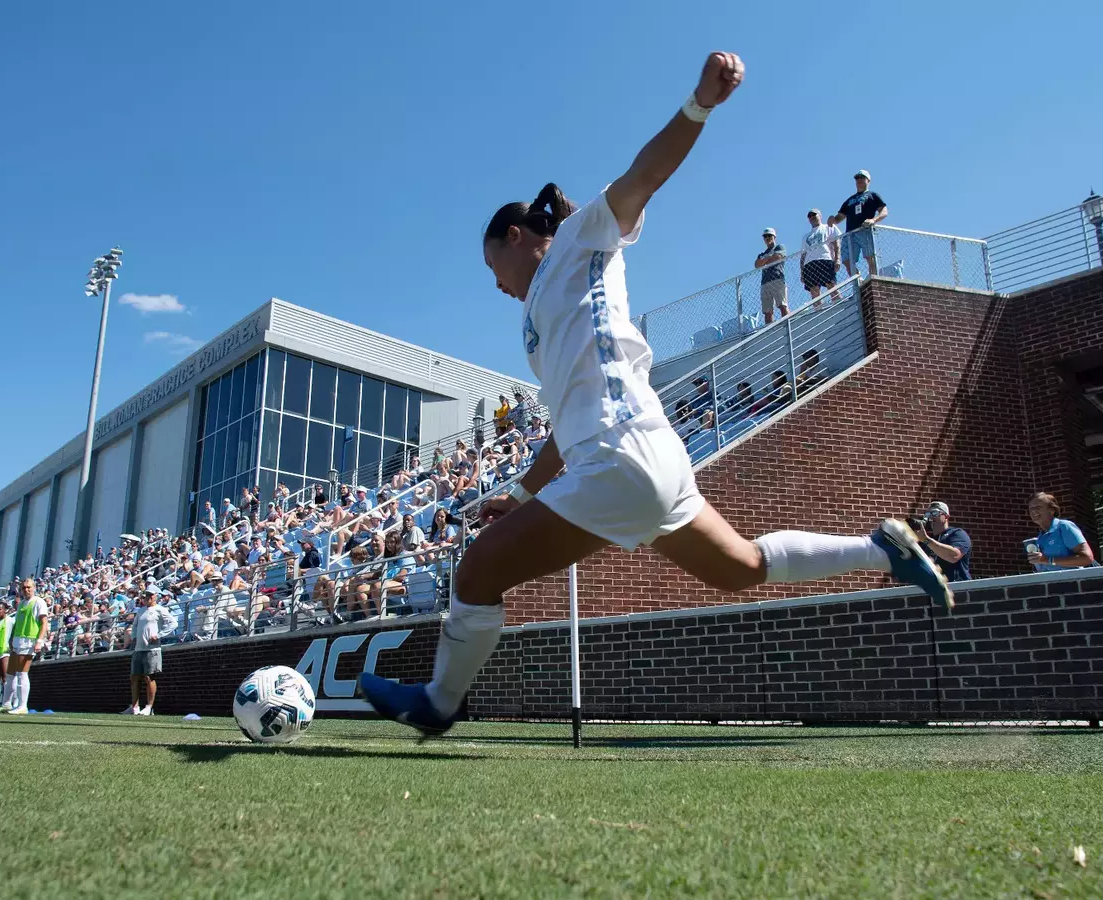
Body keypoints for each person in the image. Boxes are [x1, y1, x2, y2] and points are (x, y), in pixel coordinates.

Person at [359, 51, 951, 737]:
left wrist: (699, 105)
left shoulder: (581, 240)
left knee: (478, 571)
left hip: (622, 456)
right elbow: (564, 424)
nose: (496, 283)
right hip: (645, 455)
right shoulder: (540, 319)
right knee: (742, 566)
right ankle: (883, 550)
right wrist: (521, 494)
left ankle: (439, 704)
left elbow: (644, 176)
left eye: (495, 265)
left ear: (517, 238)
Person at [124, 591, 177, 717]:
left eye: (150, 596)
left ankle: (149, 707)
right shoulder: (141, 610)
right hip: (138, 649)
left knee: (149, 677)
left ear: (155, 597)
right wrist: (134, 637)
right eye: (145, 596)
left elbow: (173, 623)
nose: (147, 598)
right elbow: (135, 625)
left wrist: (158, 635)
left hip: (152, 649)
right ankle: (135, 707)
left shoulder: (160, 609)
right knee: (134, 677)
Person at [2, 578, 49, 715]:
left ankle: (22, 706)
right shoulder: (22, 603)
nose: (26, 590)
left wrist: (39, 641)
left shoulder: (39, 602)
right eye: (24, 588)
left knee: (22, 673)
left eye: (29, 587)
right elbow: (17, 623)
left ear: (34, 587)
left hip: (28, 641)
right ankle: (6, 704)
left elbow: (44, 623)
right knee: (10, 673)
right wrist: (11, 639)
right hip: (17, 640)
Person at [829, 170, 888, 278]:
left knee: (870, 257)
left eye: (862, 177)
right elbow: (839, 218)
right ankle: (858, 280)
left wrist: (873, 220)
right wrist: (833, 219)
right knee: (846, 260)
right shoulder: (850, 200)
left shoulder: (873, 195)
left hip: (865, 230)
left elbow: (884, 211)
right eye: (857, 178)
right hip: (850, 234)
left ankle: (873, 278)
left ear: (868, 180)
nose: (859, 180)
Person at [1026, 492, 1095, 571]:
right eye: (1031, 509)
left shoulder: (1064, 526)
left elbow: (1087, 558)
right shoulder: (1040, 538)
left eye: (1038, 507)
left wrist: (1047, 560)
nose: (1033, 511)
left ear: (1052, 510)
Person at [912, 501, 972, 582]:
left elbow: (954, 556)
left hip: (959, 588)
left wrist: (927, 540)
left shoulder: (957, 534)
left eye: (934, 513)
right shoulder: (926, 541)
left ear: (946, 516)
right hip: (937, 590)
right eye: (928, 514)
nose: (930, 518)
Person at [799, 208, 841, 302]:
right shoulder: (805, 236)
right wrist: (802, 273)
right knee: (814, 290)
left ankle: (839, 304)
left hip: (824, 258)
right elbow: (803, 255)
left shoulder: (828, 227)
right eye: (810, 216)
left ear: (820, 216)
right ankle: (819, 310)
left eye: (814, 214)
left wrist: (837, 259)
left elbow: (836, 243)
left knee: (831, 285)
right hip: (809, 264)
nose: (812, 217)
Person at [754, 227, 788, 324]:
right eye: (765, 236)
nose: (767, 238)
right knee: (767, 311)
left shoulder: (779, 247)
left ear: (774, 237)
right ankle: (770, 330)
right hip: (765, 282)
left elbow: (778, 257)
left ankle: (787, 323)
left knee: (782, 305)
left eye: (769, 235)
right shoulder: (761, 253)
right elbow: (757, 264)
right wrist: (770, 258)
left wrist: (764, 261)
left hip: (777, 278)